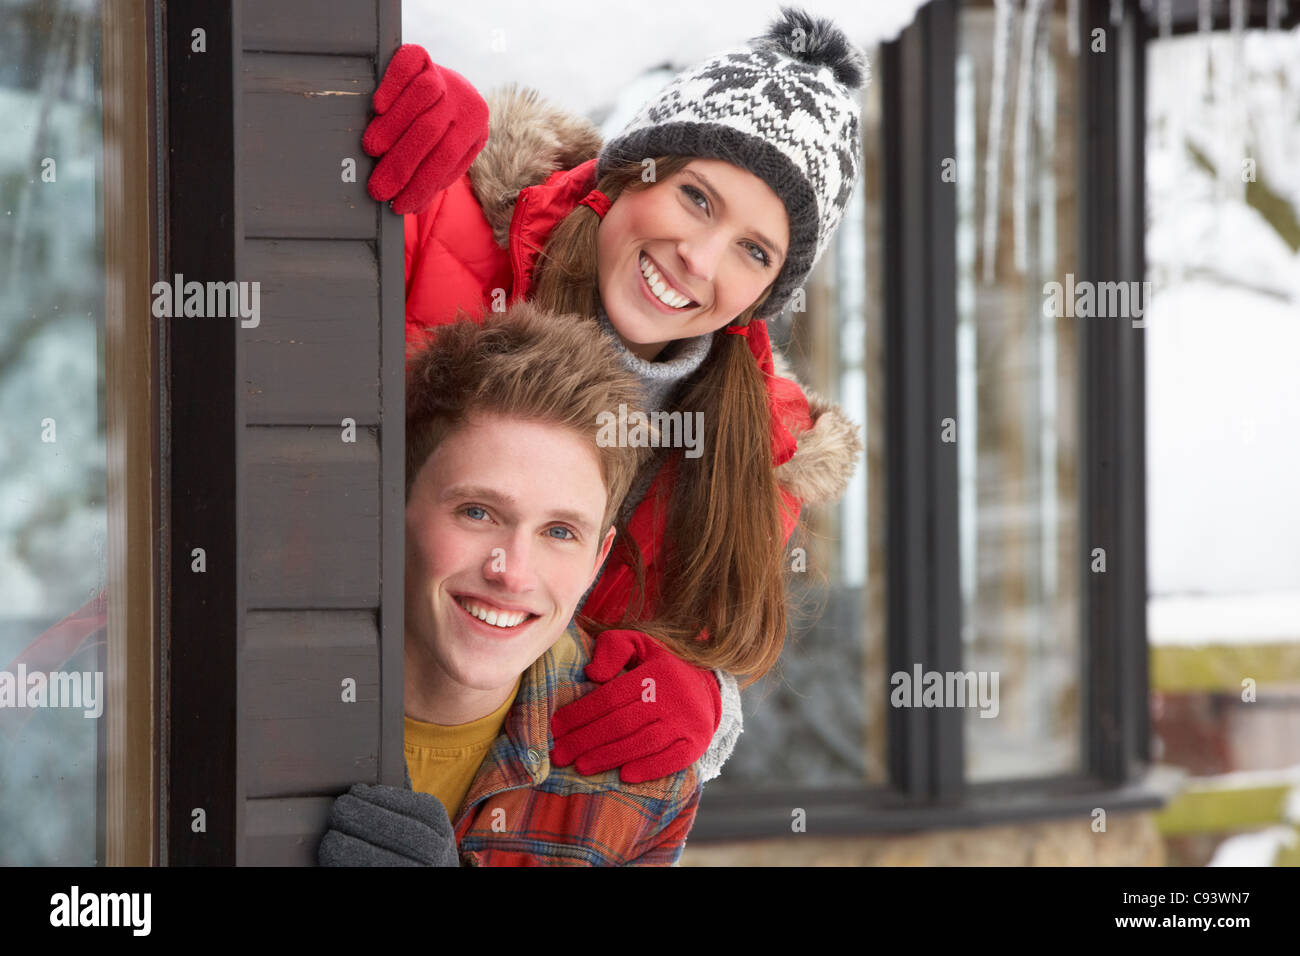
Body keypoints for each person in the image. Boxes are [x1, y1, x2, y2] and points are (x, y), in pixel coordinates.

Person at [364, 6, 866, 787]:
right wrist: (357, 123)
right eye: (698, 198)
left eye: (754, 250)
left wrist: (700, 696)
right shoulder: (459, 227)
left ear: (769, 289)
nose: (698, 260)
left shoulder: (751, 459)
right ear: (637, 168)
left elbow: (695, 645)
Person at [318, 302, 699, 866]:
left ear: (598, 561)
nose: (512, 572)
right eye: (477, 513)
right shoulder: (272, 690)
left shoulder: (642, 786)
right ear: (390, 508)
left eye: (560, 532)